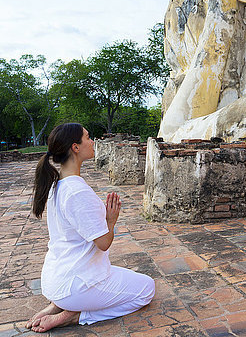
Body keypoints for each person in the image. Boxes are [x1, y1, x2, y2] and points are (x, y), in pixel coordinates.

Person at [26, 123, 155, 333]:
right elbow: (103, 243)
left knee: (122, 275)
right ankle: (74, 315)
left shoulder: (57, 186)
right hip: (73, 286)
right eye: (87, 137)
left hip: (54, 281)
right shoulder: (76, 191)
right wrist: (111, 221)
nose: (92, 141)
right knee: (146, 289)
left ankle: (58, 305)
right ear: (75, 147)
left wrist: (101, 218)